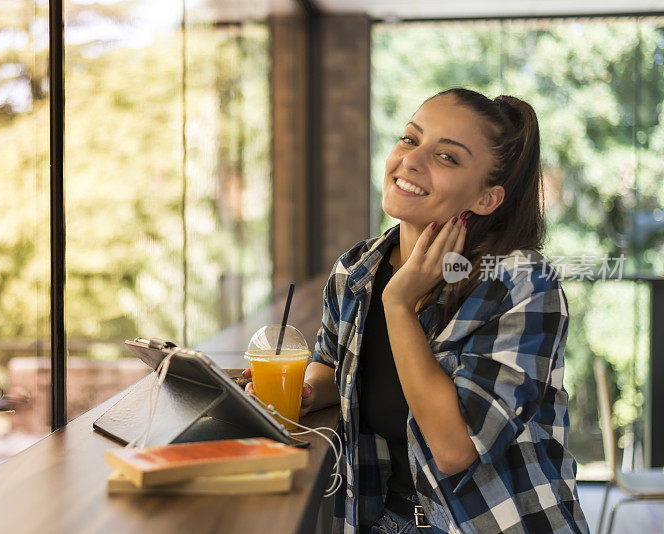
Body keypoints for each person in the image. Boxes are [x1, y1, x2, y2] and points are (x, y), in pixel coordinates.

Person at [245, 88, 588, 533]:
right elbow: (332, 365)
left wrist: (399, 305)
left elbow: (455, 448)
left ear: (486, 199)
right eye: (410, 139)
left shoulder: (521, 283)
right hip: (381, 520)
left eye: (447, 157)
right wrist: (306, 392)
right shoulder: (355, 269)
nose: (411, 160)